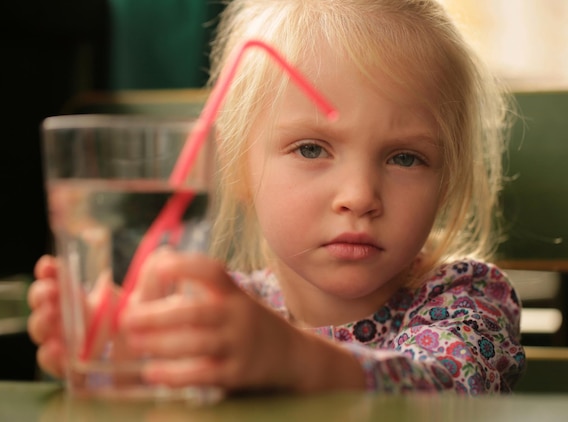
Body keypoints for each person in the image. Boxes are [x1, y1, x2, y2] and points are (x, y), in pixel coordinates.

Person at [28, 0, 525, 395]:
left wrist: (294, 359)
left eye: (404, 158)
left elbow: (449, 391)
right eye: (312, 148)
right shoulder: (230, 307)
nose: (358, 196)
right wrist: (119, 353)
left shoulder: (468, 300)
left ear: (447, 179)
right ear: (239, 169)